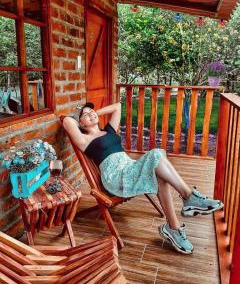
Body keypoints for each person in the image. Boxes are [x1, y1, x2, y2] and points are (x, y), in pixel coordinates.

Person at [63, 101, 224, 255]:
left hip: (130, 167)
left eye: (92, 111)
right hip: (116, 178)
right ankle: (189, 197)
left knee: (160, 174)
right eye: (86, 114)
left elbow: (118, 106)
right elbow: (67, 121)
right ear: (81, 124)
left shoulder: (109, 130)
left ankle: (174, 228)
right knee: (155, 154)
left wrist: (93, 113)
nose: (90, 113)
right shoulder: (85, 140)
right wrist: (81, 115)